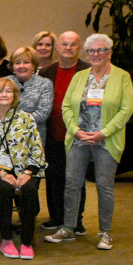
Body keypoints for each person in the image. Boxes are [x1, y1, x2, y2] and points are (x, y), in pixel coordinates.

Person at [45, 34, 133, 250]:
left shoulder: (122, 77)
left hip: (107, 140)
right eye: (92, 51)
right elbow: (66, 106)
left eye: (101, 50)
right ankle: (68, 227)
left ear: (109, 52)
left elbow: (126, 109)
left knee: (104, 186)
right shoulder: (80, 76)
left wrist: (104, 132)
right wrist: (75, 130)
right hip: (79, 139)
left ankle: (105, 233)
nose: (96, 54)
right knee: (72, 183)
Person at [0, 78, 46, 259]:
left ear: (15, 96)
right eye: (0, 91)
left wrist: (27, 173)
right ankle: (6, 239)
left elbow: (37, 149)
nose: (4, 95)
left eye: (8, 91)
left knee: (29, 190)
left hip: (26, 168)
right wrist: (1, 173)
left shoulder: (26, 119)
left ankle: (27, 241)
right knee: (5, 188)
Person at [38, 31, 90, 232]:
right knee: (53, 177)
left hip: (79, 135)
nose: (68, 48)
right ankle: (56, 217)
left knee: (76, 179)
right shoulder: (46, 72)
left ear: (79, 47)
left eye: (73, 44)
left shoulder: (88, 71)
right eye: (64, 44)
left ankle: (76, 220)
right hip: (52, 134)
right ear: (57, 47)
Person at [7, 46, 53, 142]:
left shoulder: (45, 84)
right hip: (6, 136)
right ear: (12, 66)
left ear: (34, 65)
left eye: (26, 62)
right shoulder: (5, 82)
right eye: (17, 63)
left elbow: (42, 114)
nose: (21, 66)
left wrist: (13, 120)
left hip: (32, 138)